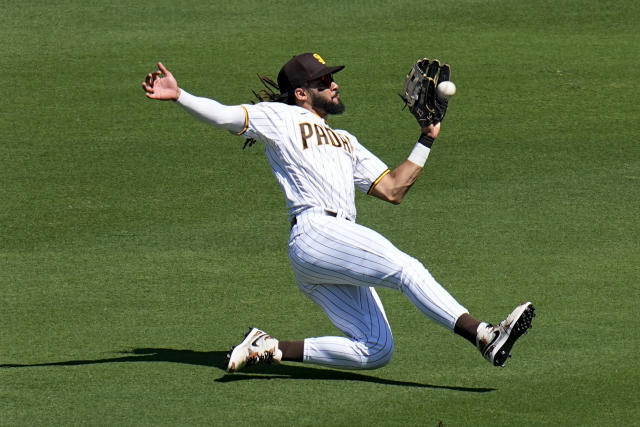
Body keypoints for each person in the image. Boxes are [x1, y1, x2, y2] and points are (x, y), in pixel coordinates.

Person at [142, 53, 535, 372]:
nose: (334, 84)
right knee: (405, 269)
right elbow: (226, 116)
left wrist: (426, 138)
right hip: (316, 231)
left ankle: (268, 347)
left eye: (331, 78)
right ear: (300, 93)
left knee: (377, 350)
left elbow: (393, 189)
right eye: (323, 81)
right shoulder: (279, 118)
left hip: (329, 250)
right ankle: (484, 335)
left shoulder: (346, 140)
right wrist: (182, 96)